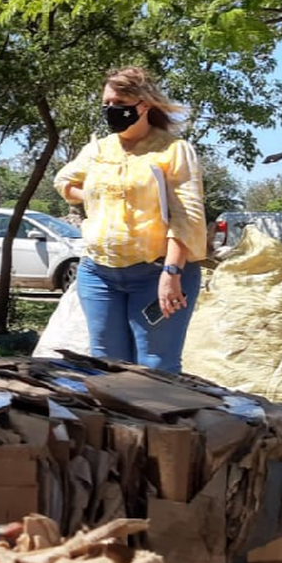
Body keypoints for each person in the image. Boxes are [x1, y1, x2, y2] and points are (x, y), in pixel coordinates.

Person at [55, 66, 207, 372]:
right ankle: (115, 421)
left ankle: (154, 421)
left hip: (157, 273)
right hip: (98, 274)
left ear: (145, 105)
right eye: (107, 104)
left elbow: (186, 218)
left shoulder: (174, 150)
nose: (112, 111)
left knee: (155, 368)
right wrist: (97, 196)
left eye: (120, 105)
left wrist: (172, 273)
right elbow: (64, 183)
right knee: (105, 366)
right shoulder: (98, 150)